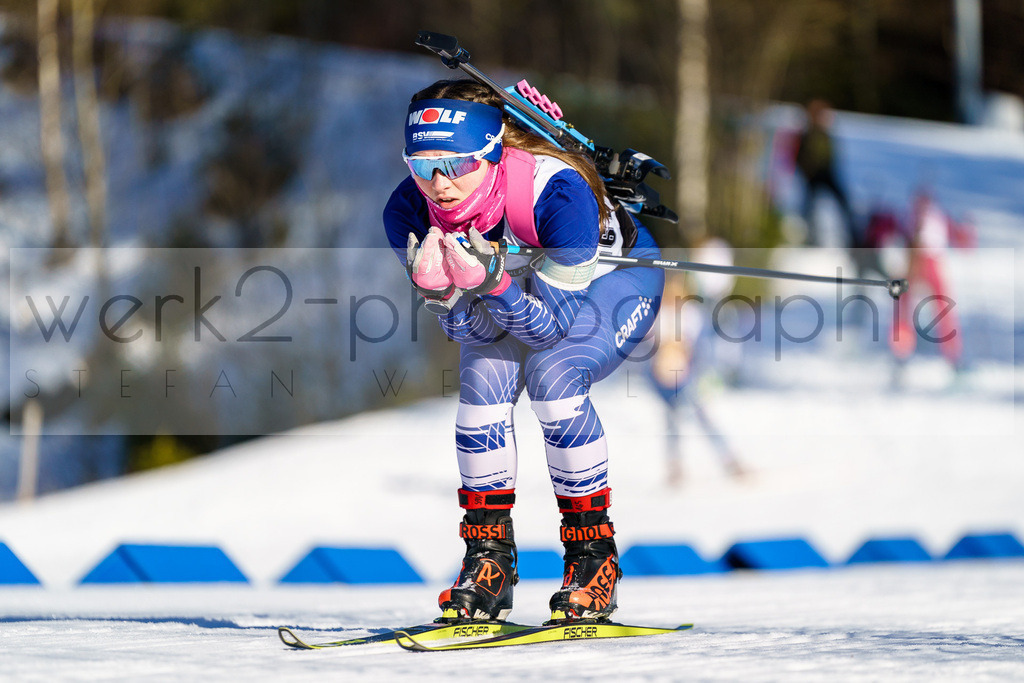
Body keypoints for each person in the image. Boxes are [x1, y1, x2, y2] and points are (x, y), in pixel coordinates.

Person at [383, 79, 664, 623]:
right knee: (482, 385)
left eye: (457, 164)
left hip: (615, 279)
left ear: (492, 153)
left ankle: (593, 561)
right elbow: (474, 335)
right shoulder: (407, 213)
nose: (439, 184)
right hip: (521, 287)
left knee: (554, 377)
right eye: (423, 166)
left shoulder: (556, 194)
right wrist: (444, 298)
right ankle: (488, 563)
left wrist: (491, 284)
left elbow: (548, 331)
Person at [794, 99, 857, 247]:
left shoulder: (826, 134)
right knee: (809, 207)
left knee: (843, 202)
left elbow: (832, 156)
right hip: (814, 176)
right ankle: (809, 236)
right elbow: (799, 157)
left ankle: (852, 237)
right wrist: (808, 172)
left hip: (828, 174)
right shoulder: (807, 135)